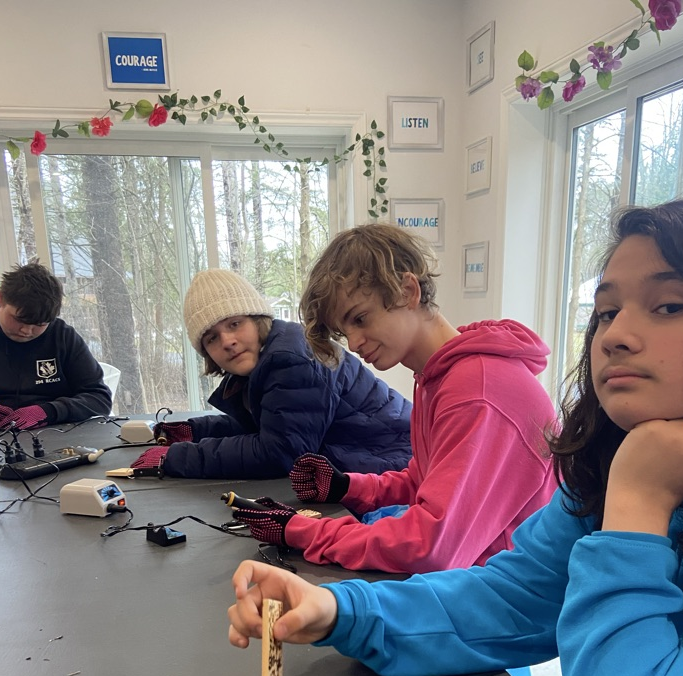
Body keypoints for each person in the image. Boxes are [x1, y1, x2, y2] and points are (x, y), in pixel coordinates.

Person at [228, 197, 683, 676]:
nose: (615, 334)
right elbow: (510, 596)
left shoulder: (512, 407)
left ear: (407, 289)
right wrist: (341, 609)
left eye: (669, 305)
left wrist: (639, 506)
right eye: (605, 311)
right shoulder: (609, 471)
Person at [232, 224, 557, 573]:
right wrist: (346, 486)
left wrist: (300, 530)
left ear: (407, 291)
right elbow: (423, 483)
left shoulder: (476, 391)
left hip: (508, 594)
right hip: (482, 572)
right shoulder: (438, 377)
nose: (354, 343)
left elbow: (430, 546)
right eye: (345, 331)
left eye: (360, 318)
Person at [130, 269, 412, 479]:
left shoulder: (290, 360)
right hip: (372, 455)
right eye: (211, 338)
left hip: (392, 464)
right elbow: (271, 426)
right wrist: (195, 431)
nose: (227, 341)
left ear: (258, 321)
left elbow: (280, 454)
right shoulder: (265, 358)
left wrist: (177, 457)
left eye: (235, 323)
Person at [0, 262, 111, 428]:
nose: (27, 331)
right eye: (19, 320)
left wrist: (49, 411)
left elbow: (99, 398)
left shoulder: (63, 336)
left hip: (57, 437)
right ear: (0, 298)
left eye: (40, 324)